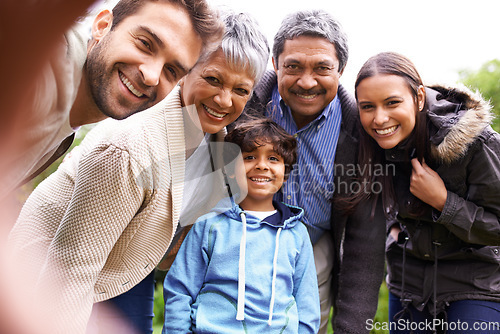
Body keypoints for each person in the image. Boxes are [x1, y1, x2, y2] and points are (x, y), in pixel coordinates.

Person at [7, 12, 269, 334]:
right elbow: (70, 271)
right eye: (213, 79)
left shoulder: (221, 150)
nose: (224, 99)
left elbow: (173, 241)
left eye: (241, 90)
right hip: (50, 270)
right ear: (187, 72)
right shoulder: (131, 148)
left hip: (127, 269)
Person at [234, 9, 386, 333]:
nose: (307, 81)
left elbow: (364, 238)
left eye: (322, 68)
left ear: (340, 70)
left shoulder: (361, 130)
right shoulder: (243, 108)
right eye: (293, 67)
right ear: (275, 65)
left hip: (315, 245)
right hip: (240, 241)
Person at [0, 0, 223, 198]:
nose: (152, 76)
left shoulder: (69, 117)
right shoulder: (45, 71)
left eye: (171, 70)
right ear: (103, 26)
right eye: (145, 44)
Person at [352, 51, 500, 333]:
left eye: (392, 103)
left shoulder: (477, 143)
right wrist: (392, 232)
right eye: (367, 106)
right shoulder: (368, 143)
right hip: (409, 284)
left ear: (419, 97)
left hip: (476, 282)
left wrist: (444, 203)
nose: (379, 118)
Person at [163, 118, 320, 333]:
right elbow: (180, 290)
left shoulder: (296, 233)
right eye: (249, 157)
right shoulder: (209, 224)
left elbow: (307, 303)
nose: (262, 165)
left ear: (285, 172)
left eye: (273, 158)